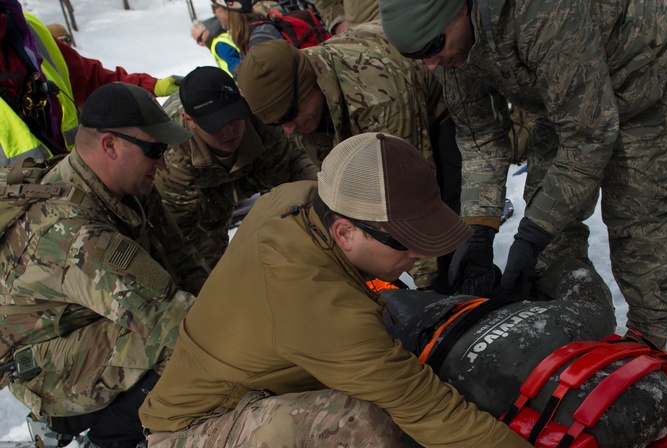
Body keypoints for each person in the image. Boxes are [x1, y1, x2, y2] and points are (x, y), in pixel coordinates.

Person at [138, 132, 667, 448]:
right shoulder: (322, 311)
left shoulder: (299, 198)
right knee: (353, 425)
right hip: (194, 442)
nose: (419, 256)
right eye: (407, 244)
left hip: (253, 384)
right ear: (345, 231)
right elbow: (438, 416)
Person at [378, 0, 667, 347]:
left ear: (460, 8)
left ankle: (648, 336)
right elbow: (482, 140)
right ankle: (572, 328)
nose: (430, 65)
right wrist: (477, 229)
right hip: (562, 93)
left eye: (432, 48)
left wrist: (533, 233)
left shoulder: (542, 11)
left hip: (640, 71)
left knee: (639, 207)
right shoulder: (448, 50)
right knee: (550, 228)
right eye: (417, 57)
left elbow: (588, 137)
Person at [0, 82, 208, 448]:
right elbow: (175, 322)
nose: (162, 163)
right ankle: (109, 442)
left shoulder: (125, 185)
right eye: (155, 150)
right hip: (43, 370)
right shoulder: (72, 235)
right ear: (110, 145)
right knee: (179, 346)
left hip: (83, 328)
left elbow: (182, 264)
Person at [236, 30, 460, 288]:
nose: (288, 130)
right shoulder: (297, 106)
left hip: (433, 117)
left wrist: (428, 286)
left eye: (290, 115)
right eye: (277, 123)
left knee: (442, 218)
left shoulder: (378, 95)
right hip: (362, 113)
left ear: (309, 83)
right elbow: (341, 186)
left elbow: (410, 194)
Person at [156, 66, 318, 273]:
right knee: (210, 270)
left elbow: (279, 190)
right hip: (203, 194)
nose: (229, 131)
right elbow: (184, 229)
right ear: (190, 121)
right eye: (216, 125)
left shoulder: (260, 118)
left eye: (234, 118)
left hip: (259, 165)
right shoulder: (172, 155)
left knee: (312, 196)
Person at [1, 0, 181, 165]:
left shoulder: (26, 28)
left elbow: (91, 78)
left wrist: (153, 85)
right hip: (17, 195)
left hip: (69, 179)